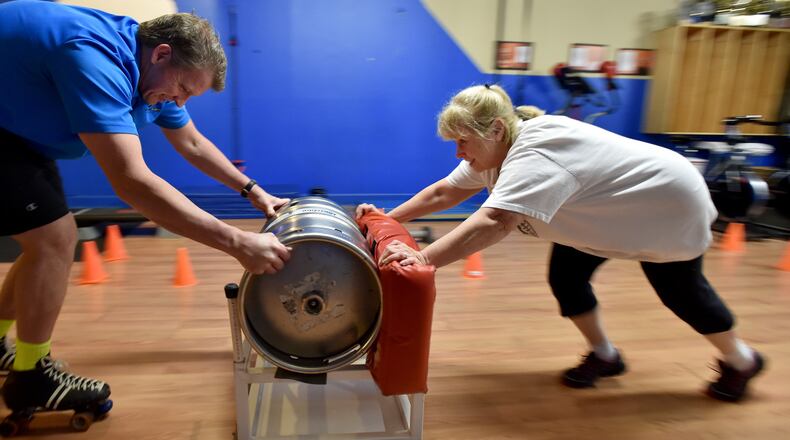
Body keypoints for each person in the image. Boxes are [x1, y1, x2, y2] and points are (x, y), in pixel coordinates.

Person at [356, 84, 765, 402]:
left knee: (681, 293)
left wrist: (419, 257)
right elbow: (444, 193)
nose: (460, 152)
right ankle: (606, 356)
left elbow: (496, 222)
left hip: (665, 203)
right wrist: (384, 221)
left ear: (496, 129)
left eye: (463, 141)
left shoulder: (537, 153)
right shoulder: (497, 149)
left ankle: (740, 361)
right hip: (601, 210)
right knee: (566, 279)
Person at [0, 1, 291, 414]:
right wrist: (236, 242)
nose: (180, 101)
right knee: (54, 238)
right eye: (184, 89)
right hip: (7, 132)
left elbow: (192, 143)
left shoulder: (152, 70)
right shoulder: (94, 57)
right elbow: (131, 180)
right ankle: (31, 378)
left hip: (16, 132)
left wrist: (252, 190)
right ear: (161, 53)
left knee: (44, 239)